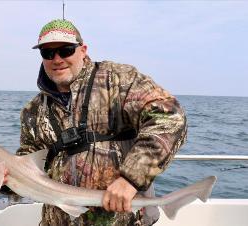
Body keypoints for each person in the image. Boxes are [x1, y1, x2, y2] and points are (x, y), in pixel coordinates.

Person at [13, 19, 187, 226]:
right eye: (48, 53)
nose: (57, 59)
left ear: (83, 50)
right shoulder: (33, 110)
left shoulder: (118, 81)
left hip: (123, 220)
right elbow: (28, 163)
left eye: (66, 50)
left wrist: (131, 178)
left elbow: (170, 118)